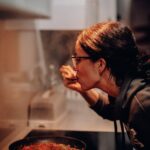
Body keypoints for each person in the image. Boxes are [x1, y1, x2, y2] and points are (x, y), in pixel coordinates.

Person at [59, 21, 150, 150]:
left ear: (100, 64)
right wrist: (82, 89)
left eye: (78, 60)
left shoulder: (143, 104)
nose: (75, 67)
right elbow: (111, 110)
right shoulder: (127, 92)